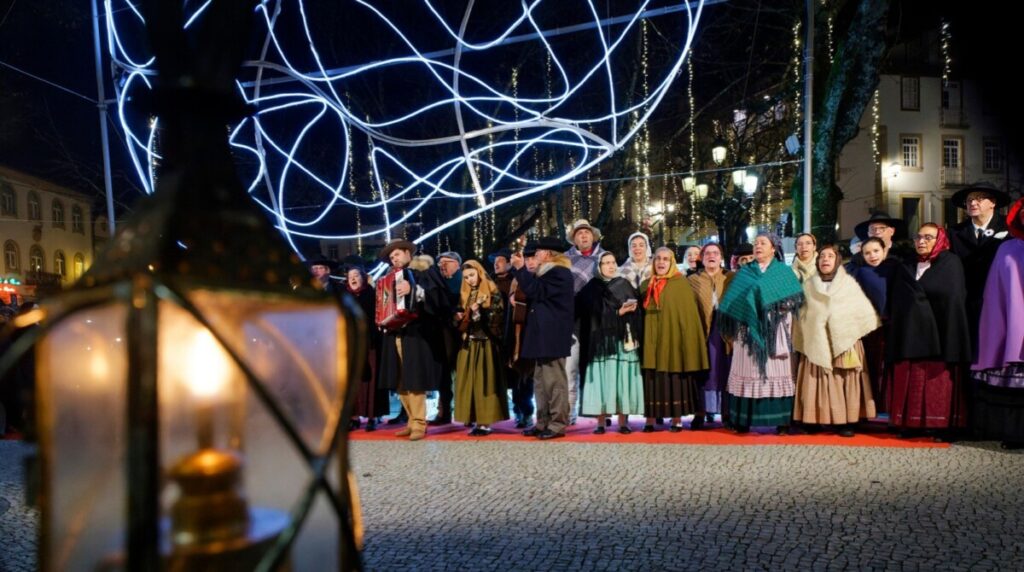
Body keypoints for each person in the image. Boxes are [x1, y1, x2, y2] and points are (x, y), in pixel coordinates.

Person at [886, 224, 971, 440]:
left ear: (940, 239)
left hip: (940, 336)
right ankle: (908, 423)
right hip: (910, 333)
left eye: (928, 237)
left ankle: (938, 425)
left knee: (937, 383)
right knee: (911, 379)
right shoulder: (907, 264)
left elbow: (952, 297)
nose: (921, 241)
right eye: (918, 237)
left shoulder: (950, 263)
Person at [719, 233, 804, 435]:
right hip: (746, 331)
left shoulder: (783, 272)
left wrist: (779, 305)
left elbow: (795, 298)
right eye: (756, 243)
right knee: (746, 372)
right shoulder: (744, 272)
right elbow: (732, 302)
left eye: (762, 243)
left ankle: (781, 420)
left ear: (773, 248)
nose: (758, 246)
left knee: (777, 372)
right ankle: (743, 420)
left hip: (775, 329)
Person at [792, 245, 880, 436]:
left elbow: (861, 312)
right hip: (816, 341)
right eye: (822, 256)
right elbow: (801, 315)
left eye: (830, 256)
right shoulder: (808, 286)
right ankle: (812, 419)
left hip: (844, 341)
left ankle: (845, 422)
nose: (825, 259)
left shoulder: (848, 284)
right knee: (815, 380)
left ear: (837, 260)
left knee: (844, 381)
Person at [376, 240, 449, 441]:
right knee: (400, 380)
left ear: (408, 253)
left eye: (397, 254)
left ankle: (419, 423)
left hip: (417, 334)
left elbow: (440, 300)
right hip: (395, 334)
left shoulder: (426, 272)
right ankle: (411, 420)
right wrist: (383, 320)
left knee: (415, 379)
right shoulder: (388, 279)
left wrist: (414, 289)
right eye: (391, 258)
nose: (394, 259)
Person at [970, 197, 1024, 449]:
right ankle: (1015, 434)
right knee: (1013, 389)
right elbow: (996, 293)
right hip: (1014, 326)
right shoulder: (1007, 248)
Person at [510, 237, 575, 440]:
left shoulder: (560, 273)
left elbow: (536, 292)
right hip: (541, 335)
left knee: (555, 382)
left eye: (537, 252)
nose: (534, 256)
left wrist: (520, 269)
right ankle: (542, 421)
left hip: (552, 336)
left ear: (548, 254)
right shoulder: (544, 274)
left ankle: (557, 424)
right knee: (540, 381)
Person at [640, 247, 709, 432]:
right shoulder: (645, 285)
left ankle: (676, 419)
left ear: (672, 263)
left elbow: (687, 317)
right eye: (658, 259)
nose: (661, 262)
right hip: (651, 341)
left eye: (666, 259)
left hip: (673, 342)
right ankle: (650, 419)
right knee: (652, 379)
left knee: (674, 379)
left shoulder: (681, 284)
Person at [577, 252, 644, 434]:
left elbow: (639, 312)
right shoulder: (592, 288)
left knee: (623, 378)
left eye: (613, 262)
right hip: (601, 343)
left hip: (623, 342)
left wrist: (632, 311)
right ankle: (600, 422)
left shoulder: (624, 284)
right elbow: (590, 316)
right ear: (599, 267)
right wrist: (616, 313)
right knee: (602, 380)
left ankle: (623, 422)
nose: (611, 266)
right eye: (606, 263)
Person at [948, 182, 1012, 359]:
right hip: (967, 303)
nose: (973, 203)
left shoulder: (1009, 229)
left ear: (993, 203)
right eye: (969, 200)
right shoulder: (954, 232)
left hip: (1001, 301)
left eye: (979, 198)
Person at [845, 236, 900, 413]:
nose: (872, 255)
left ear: (885, 251)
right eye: (867, 253)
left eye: (876, 251)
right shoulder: (860, 273)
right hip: (870, 327)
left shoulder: (895, 269)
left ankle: (890, 404)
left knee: (891, 366)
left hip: (893, 325)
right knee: (872, 366)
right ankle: (872, 404)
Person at [453, 260, 509, 436]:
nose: (469, 280)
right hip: (468, 343)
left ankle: (485, 422)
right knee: (467, 382)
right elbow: (456, 319)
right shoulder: (464, 294)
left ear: (479, 273)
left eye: (472, 275)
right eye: (466, 277)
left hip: (486, 343)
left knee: (485, 382)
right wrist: (459, 316)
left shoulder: (493, 292)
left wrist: (480, 313)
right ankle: (472, 417)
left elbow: (498, 318)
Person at [565, 219, 608, 425]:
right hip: (572, 320)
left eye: (587, 232)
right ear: (574, 238)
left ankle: (599, 412)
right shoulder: (564, 260)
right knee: (570, 368)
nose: (583, 236)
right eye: (579, 233)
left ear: (593, 236)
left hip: (597, 321)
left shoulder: (605, 258)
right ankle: (569, 412)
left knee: (597, 368)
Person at [687, 243, 733, 426]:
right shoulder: (693, 280)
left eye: (715, 253)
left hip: (725, 333)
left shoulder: (731, 277)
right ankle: (700, 412)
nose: (711, 256)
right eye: (707, 253)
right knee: (704, 373)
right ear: (702, 258)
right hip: (702, 333)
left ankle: (727, 413)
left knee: (725, 371)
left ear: (721, 257)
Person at [344, 264, 389, 431]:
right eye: (350, 276)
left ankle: (373, 416)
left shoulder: (372, 293)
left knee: (372, 379)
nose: (353, 278)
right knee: (353, 381)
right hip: (349, 344)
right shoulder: (343, 296)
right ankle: (354, 417)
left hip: (370, 342)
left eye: (356, 275)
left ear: (363, 277)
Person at [430, 251, 464, 425]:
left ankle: (466, 412)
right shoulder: (438, 283)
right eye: (440, 263)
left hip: (462, 333)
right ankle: (444, 411)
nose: (442, 265)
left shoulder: (465, 281)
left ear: (457, 263)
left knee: (462, 373)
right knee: (443, 374)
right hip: (442, 333)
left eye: (446, 262)